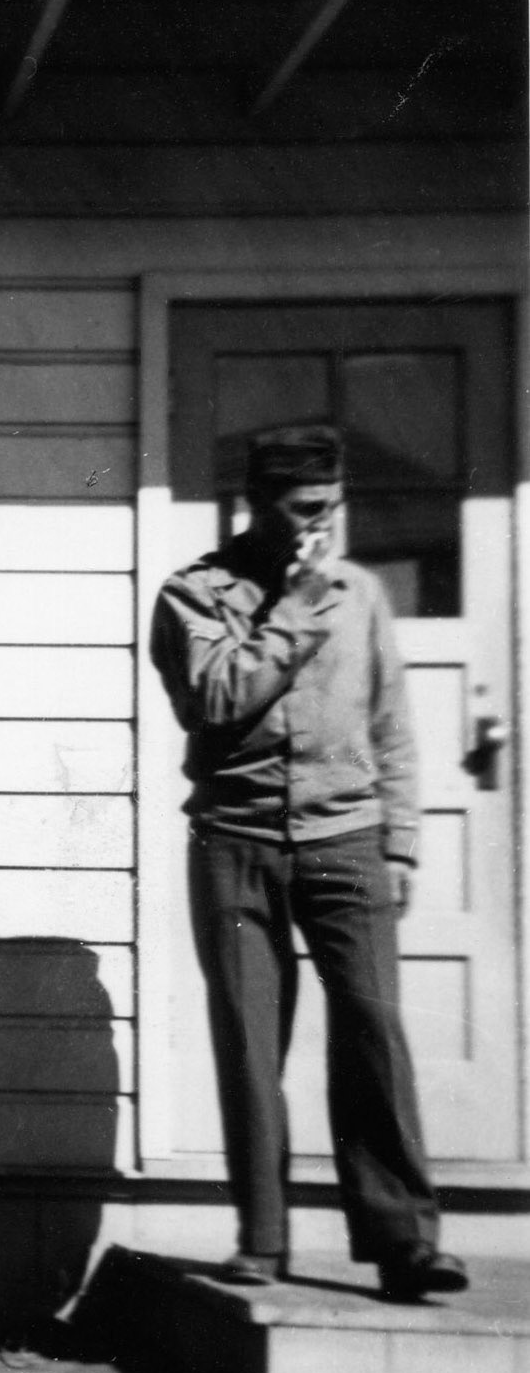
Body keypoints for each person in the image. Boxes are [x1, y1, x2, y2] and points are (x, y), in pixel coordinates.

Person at [149, 424, 468, 1302]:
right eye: (298, 511)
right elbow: (215, 699)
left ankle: (404, 1240)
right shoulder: (193, 594)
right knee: (251, 1046)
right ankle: (261, 1237)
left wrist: (399, 839)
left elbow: (392, 725)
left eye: (328, 508)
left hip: (347, 841)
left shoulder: (360, 594)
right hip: (235, 846)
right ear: (254, 505)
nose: (315, 528)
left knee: (372, 1033)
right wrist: (290, 609)